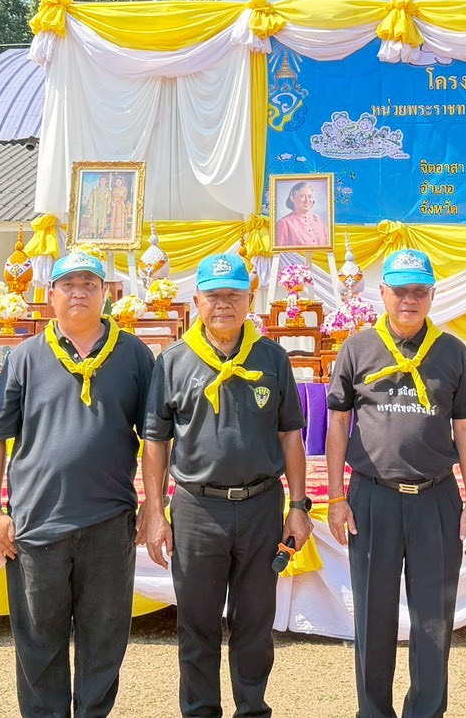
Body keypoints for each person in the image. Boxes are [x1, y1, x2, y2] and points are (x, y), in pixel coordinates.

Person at [0, 249, 156, 718]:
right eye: (68, 285)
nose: (79, 293)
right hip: (37, 524)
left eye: (89, 284)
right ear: (50, 295)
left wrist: (155, 506)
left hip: (109, 521)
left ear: (107, 293)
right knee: (38, 642)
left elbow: (156, 437)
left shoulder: (134, 354)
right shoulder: (25, 356)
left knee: (104, 640)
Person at [141, 252, 313, 718]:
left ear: (249, 299)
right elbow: (155, 442)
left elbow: (290, 435)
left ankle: (252, 709)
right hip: (198, 509)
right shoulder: (173, 362)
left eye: (233, 295)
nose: (223, 305)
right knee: (196, 623)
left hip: (260, 505)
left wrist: (299, 507)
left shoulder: (272, 358)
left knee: (254, 621)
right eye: (213, 296)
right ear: (196, 301)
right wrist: (155, 513)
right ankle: (200, 711)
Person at [325, 248, 466, 718]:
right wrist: (335, 496)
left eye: (419, 291)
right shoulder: (358, 347)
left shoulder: (451, 350)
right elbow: (338, 423)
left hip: (436, 498)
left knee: (434, 617)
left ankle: (426, 711)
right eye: (400, 290)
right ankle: (373, 712)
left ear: (432, 295)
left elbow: (465, 429)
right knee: (374, 614)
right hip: (372, 498)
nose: (409, 300)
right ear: (383, 293)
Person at [274, 180, 329, 249]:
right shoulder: (283, 223)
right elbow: (280, 252)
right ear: (292, 198)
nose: (307, 200)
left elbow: (328, 246)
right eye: (302, 196)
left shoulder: (318, 219)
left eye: (310, 196)